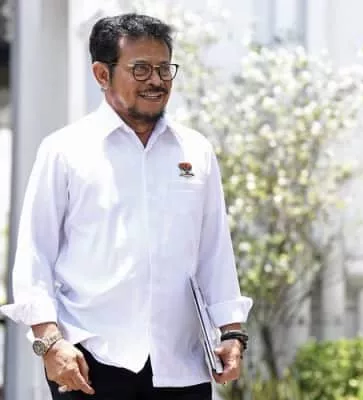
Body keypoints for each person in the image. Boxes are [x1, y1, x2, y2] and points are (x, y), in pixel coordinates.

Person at [0, 13, 252, 400]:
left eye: (164, 68)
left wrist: (232, 332)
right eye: (141, 69)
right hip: (88, 362)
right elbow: (35, 255)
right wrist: (50, 344)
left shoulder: (196, 151)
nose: (157, 80)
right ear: (102, 74)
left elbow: (214, 252)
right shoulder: (65, 150)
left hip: (181, 366)